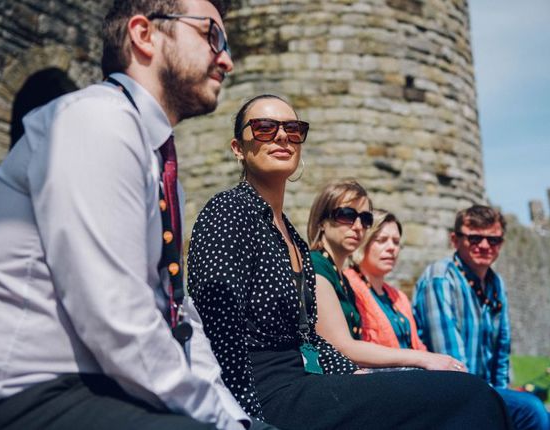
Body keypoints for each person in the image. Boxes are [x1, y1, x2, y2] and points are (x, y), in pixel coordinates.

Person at [0, 1, 265, 429]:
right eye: (212, 35)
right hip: (15, 395)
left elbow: (178, 316)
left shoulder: (158, 161)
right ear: (144, 35)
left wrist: (235, 418)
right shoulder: (95, 121)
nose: (228, 60)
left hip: (96, 388)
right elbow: (118, 320)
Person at [188, 94, 514, 429]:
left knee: (467, 391)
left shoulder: (292, 237)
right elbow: (218, 326)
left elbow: (310, 340)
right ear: (238, 148)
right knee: (470, 397)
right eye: (265, 128)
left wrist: (360, 377)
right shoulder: (227, 211)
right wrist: (245, 420)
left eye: (293, 129)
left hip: (307, 383)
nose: (282, 136)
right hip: (265, 395)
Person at [413, 205, 550, 430]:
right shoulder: (440, 279)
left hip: (488, 392)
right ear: (455, 240)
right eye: (475, 238)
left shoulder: (495, 283)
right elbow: (453, 367)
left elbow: (501, 355)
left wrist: (503, 397)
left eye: (494, 240)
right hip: (452, 397)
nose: (485, 246)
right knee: (532, 409)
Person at [310, 189, 466, 371]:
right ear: (322, 221)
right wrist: (423, 359)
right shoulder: (327, 271)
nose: (358, 226)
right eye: (346, 215)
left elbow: (416, 346)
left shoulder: (395, 296)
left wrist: (430, 360)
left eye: (365, 219)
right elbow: (344, 347)